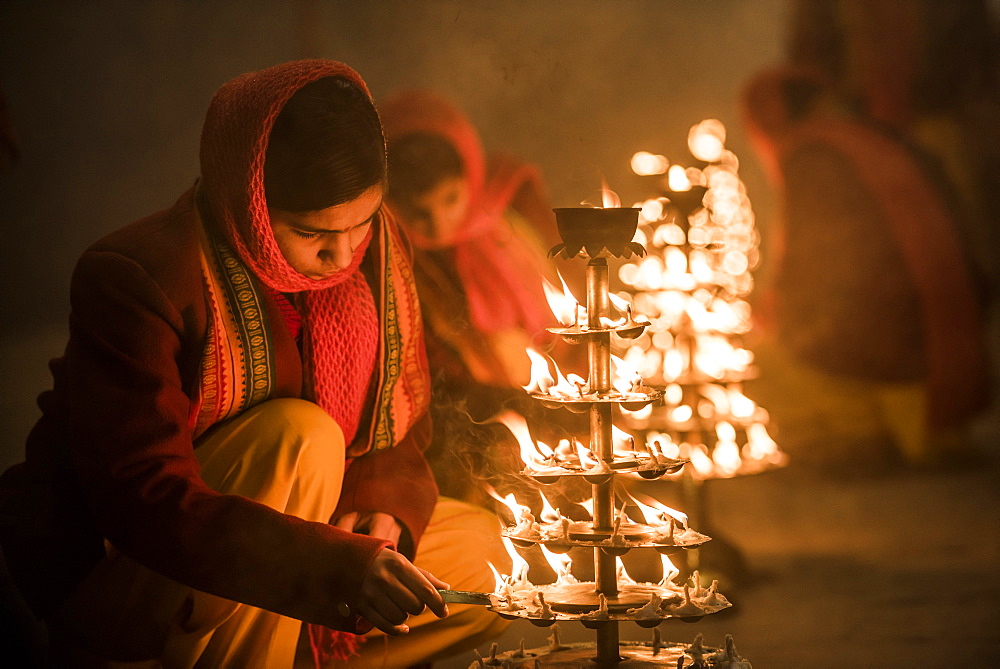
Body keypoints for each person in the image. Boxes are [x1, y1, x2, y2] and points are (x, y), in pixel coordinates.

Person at [0, 59, 497, 669]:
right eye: (310, 231)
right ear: (251, 200)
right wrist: (330, 563)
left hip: (310, 540)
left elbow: (401, 422)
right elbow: (144, 495)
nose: (341, 253)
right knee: (301, 435)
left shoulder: (381, 249)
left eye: (361, 222)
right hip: (141, 565)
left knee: (489, 561)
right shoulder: (140, 275)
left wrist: (383, 513)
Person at [739, 64, 991, 469]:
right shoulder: (880, 135)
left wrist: (773, 313)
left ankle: (852, 436)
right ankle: (917, 437)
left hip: (890, 334)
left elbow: (816, 258)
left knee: (765, 349)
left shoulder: (812, 152)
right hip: (951, 320)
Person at [378, 91, 576, 509]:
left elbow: (567, 303)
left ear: (470, 173)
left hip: (551, 386)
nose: (440, 224)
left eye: (451, 200)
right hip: (464, 417)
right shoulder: (387, 256)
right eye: (418, 211)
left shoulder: (510, 210)